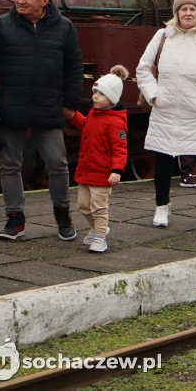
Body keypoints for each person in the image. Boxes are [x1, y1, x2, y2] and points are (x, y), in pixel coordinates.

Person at [0, 0, 83, 241]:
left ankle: (63, 214)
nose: (20, 0)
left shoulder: (64, 27)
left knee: (58, 164)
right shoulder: (2, 26)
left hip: (48, 107)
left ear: (45, 0)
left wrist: (69, 105)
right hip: (11, 107)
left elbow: (75, 69)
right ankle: (14, 219)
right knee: (9, 165)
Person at [137, 0, 196, 231]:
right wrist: (153, 95)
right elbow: (143, 68)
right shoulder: (162, 36)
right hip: (165, 110)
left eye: (193, 9)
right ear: (176, 12)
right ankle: (161, 207)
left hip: (195, 112)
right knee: (163, 160)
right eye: (183, 9)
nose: (188, 13)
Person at [66, 65, 128, 253]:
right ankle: (97, 228)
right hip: (86, 169)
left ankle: (101, 236)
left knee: (99, 207)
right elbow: (86, 125)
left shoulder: (116, 122)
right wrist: (71, 115)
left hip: (102, 173)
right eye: (94, 91)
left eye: (100, 93)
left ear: (112, 98)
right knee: (83, 206)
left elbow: (120, 148)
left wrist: (116, 170)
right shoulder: (94, 113)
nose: (95, 96)